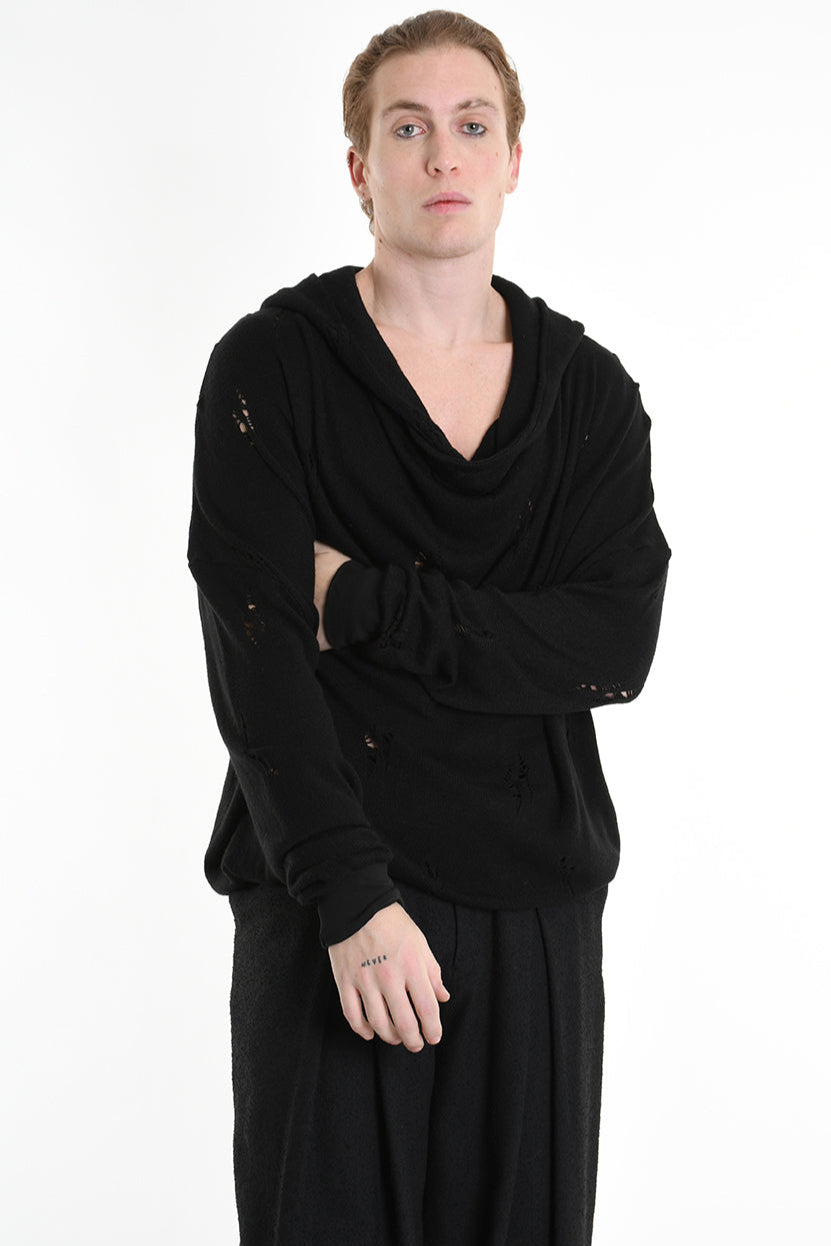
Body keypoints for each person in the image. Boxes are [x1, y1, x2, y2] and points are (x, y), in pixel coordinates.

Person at [188, 10, 670, 1245]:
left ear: (514, 158)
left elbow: (611, 648)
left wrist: (355, 599)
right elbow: (256, 660)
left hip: (535, 910)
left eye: (472, 125)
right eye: (408, 129)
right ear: (360, 167)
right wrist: (352, 898)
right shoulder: (270, 370)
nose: (443, 154)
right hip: (333, 901)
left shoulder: (591, 398)